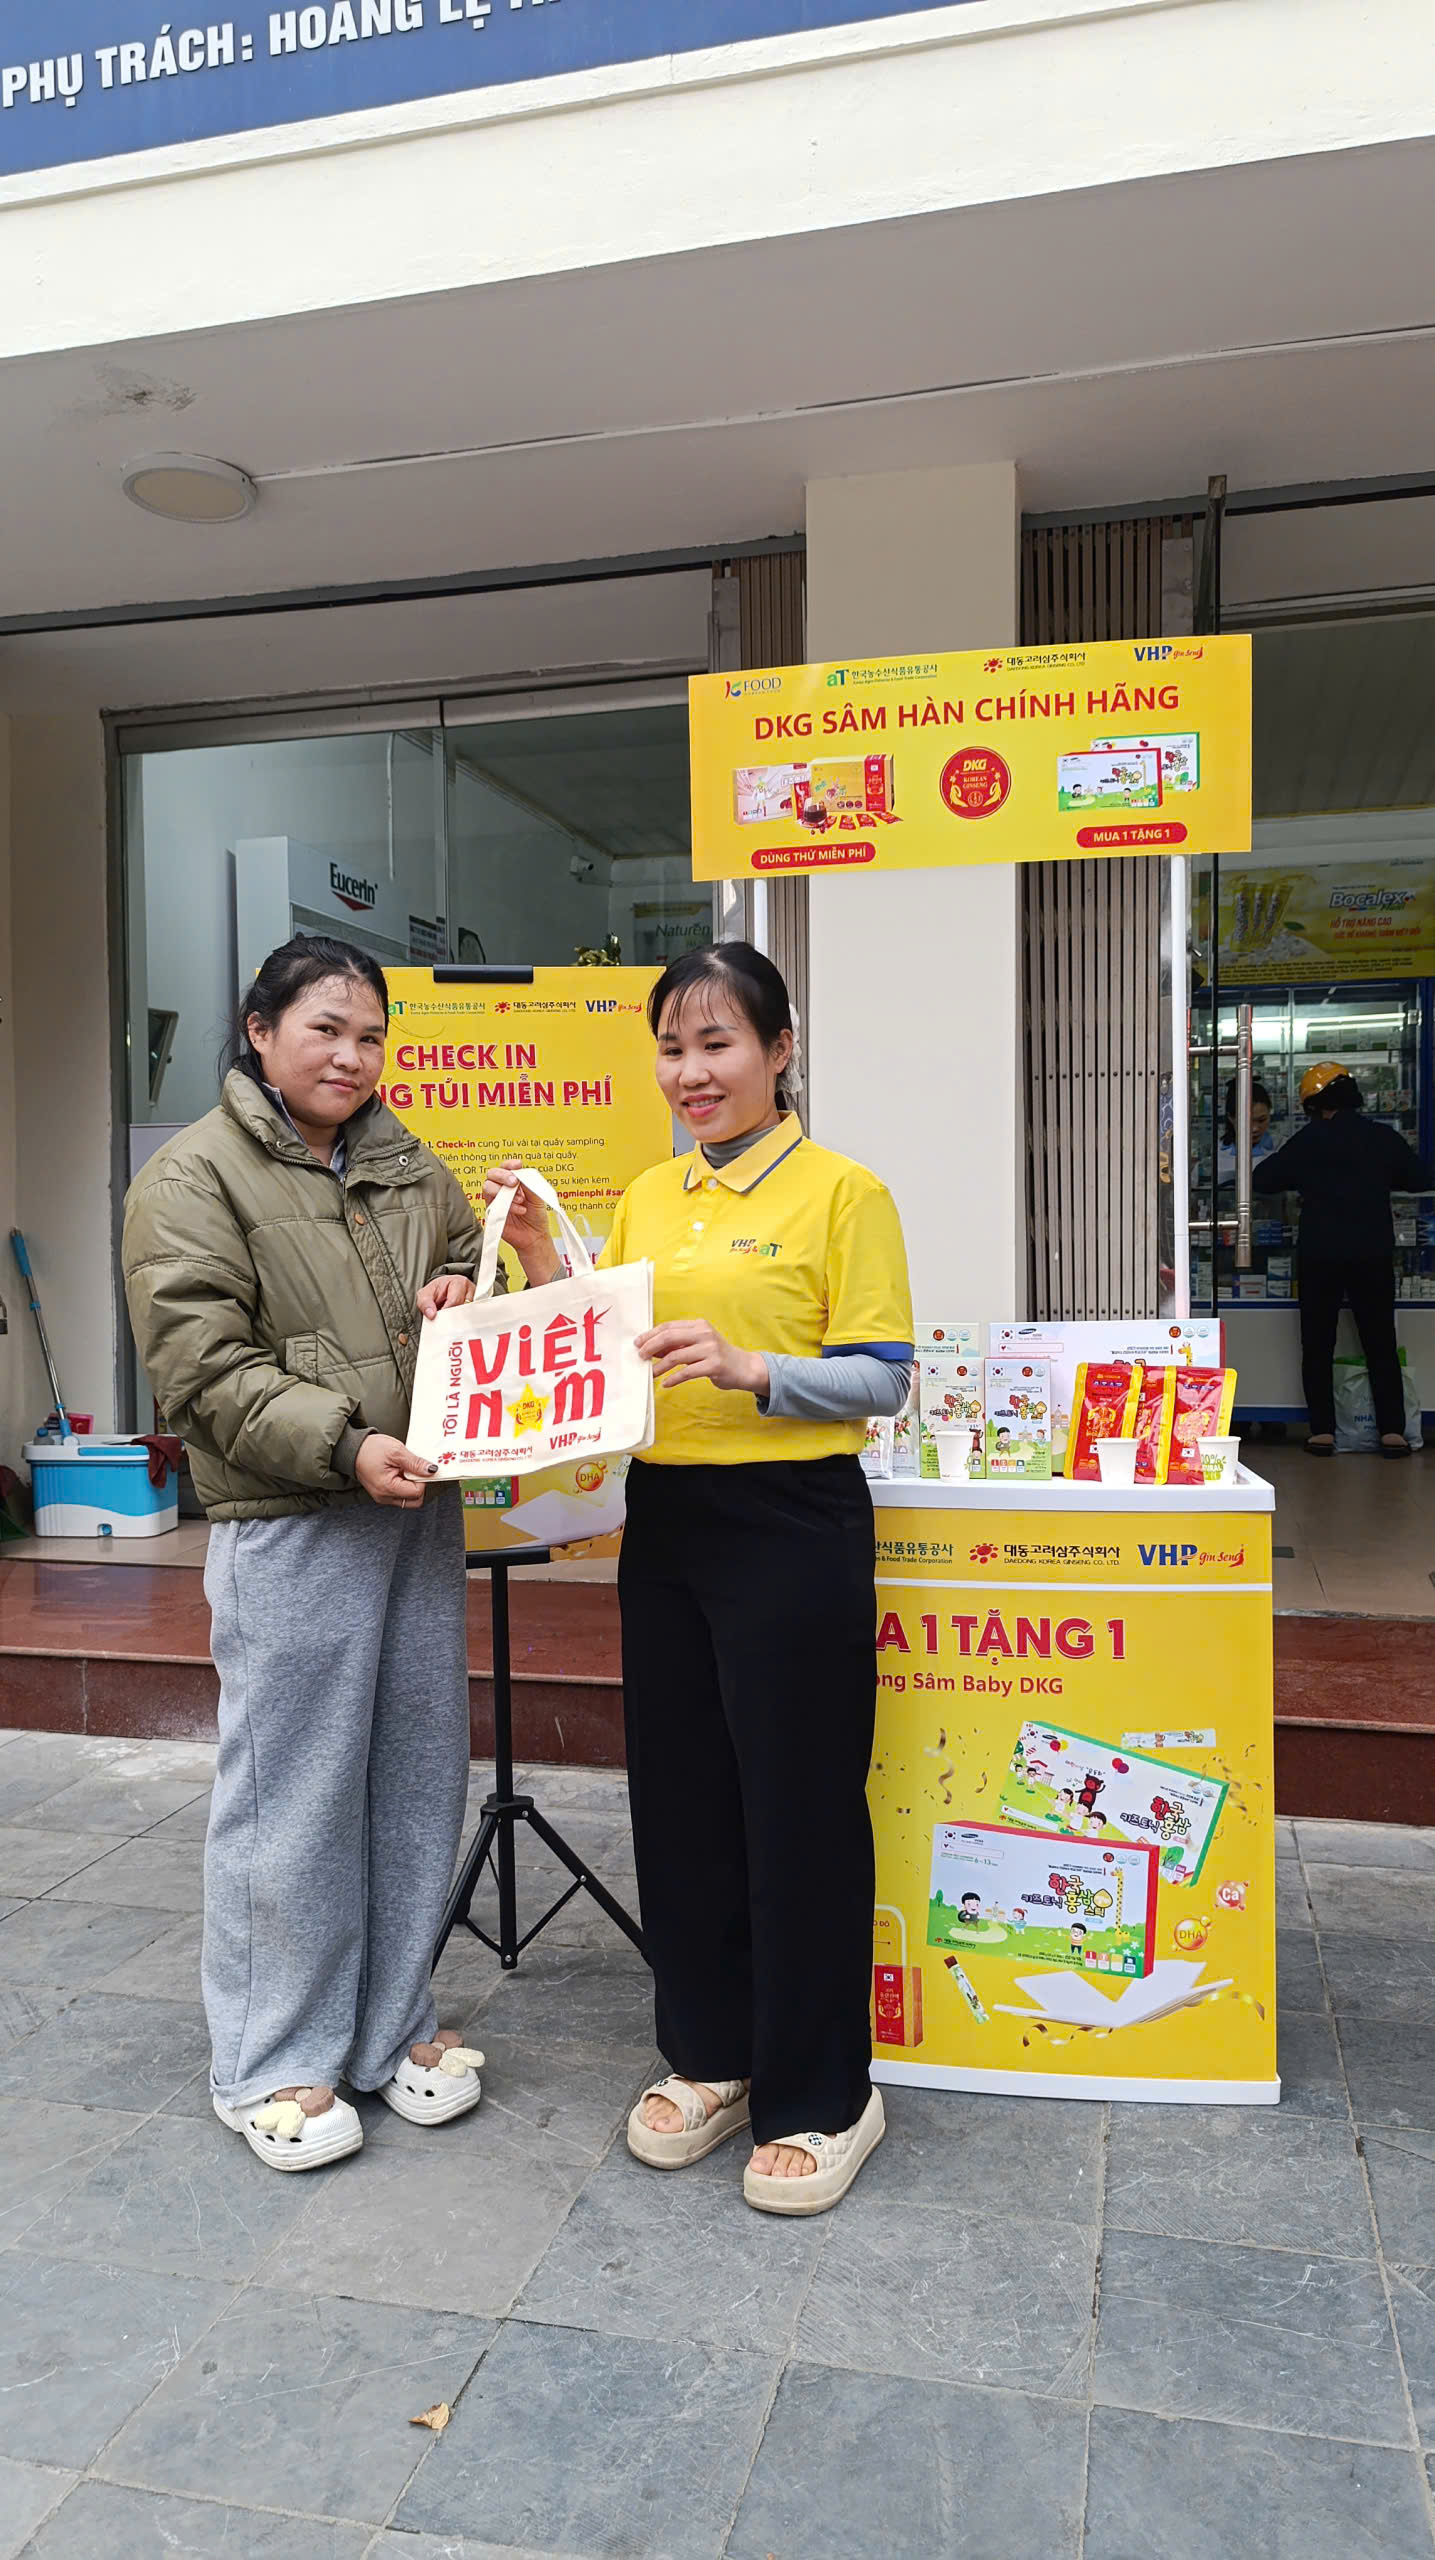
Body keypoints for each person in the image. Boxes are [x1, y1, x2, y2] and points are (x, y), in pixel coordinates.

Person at [486, 941, 913, 2216]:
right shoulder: (646, 1195)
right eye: (671, 1048)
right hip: (667, 1519)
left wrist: (750, 1367)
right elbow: (601, 1346)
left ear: (780, 1051)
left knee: (798, 1808)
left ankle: (824, 2094)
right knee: (681, 1802)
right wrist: (538, 1261)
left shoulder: (843, 1193)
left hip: (792, 1517)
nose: (691, 1071)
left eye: (717, 1043)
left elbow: (883, 1376)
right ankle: (710, 2057)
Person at [122, 936, 492, 2172]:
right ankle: (271, 2056)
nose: (351, 1055)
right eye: (326, 1028)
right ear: (260, 1029)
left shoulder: (406, 1159)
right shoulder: (191, 1177)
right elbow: (202, 1368)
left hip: (412, 1510)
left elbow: (467, 1262)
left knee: (413, 1777)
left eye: (371, 1035)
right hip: (291, 1516)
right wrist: (344, 1444)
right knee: (293, 1798)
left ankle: (387, 2028)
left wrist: (463, 1288)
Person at [1254, 1060, 1434, 1457]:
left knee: (1318, 1344)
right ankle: (1392, 1432)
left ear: (1313, 1104)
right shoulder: (1382, 1138)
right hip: (1373, 1253)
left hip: (1320, 1254)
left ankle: (1322, 1432)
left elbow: (1263, 1180)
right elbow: (1421, 1178)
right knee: (1380, 1342)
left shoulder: (1308, 1140)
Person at [1216, 1078, 1276, 1184]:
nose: (1255, 1128)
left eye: (1262, 1120)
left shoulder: (1283, 1148)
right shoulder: (1215, 1155)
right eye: (1247, 1122)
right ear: (1231, 1118)